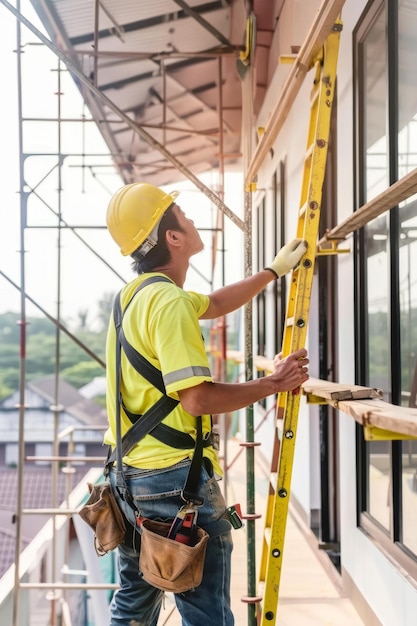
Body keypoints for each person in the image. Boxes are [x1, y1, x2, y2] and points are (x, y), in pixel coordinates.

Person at [104, 182, 309, 626]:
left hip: (127, 478)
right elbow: (197, 399)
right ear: (173, 238)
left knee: (134, 606)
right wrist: (274, 383)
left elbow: (215, 303)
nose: (194, 221)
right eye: (183, 214)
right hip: (175, 482)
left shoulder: (136, 295)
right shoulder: (169, 303)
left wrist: (272, 271)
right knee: (205, 611)